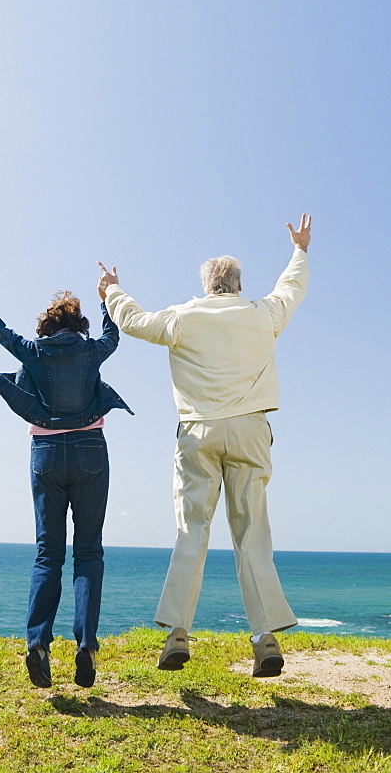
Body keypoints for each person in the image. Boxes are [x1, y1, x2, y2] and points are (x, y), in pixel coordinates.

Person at [97, 214, 311, 678]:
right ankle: (265, 637)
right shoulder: (262, 313)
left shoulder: (182, 316)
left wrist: (112, 288)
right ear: (237, 284)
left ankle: (177, 634)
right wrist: (299, 249)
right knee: (252, 532)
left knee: (191, 531)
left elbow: (133, 321)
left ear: (207, 284)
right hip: (250, 430)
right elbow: (291, 288)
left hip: (197, 431)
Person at [0, 273, 132, 689]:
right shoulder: (92, 352)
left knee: (48, 554)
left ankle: (38, 644)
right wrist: (107, 298)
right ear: (77, 326)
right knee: (88, 553)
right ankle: (86, 645)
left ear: (46, 328)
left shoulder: (32, 352)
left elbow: (1, 334)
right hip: (90, 450)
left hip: (46, 456)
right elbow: (113, 336)